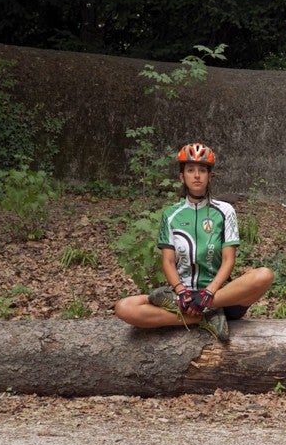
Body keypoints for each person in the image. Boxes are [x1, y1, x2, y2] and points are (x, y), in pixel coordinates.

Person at [114, 143, 274, 341]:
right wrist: (180, 291)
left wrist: (209, 294)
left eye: (202, 170)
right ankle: (200, 318)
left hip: (221, 295)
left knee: (264, 275)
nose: (197, 175)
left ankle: (211, 307)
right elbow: (168, 261)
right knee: (124, 307)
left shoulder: (225, 211)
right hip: (183, 298)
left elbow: (228, 260)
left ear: (209, 176)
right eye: (190, 170)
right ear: (182, 177)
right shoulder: (171, 215)